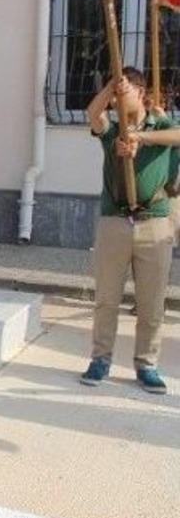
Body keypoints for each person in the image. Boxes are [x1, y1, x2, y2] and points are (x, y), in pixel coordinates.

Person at [82, 68, 177, 394]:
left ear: (140, 91)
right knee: (107, 298)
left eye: (125, 90)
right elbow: (92, 113)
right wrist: (109, 87)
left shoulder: (161, 124)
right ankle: (100, 360)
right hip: (114, 222)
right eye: (116, 92)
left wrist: (141, 137)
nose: (119, 99)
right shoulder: (111, 130)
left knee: (152, 303)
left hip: (154, 223)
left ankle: (146, 364)